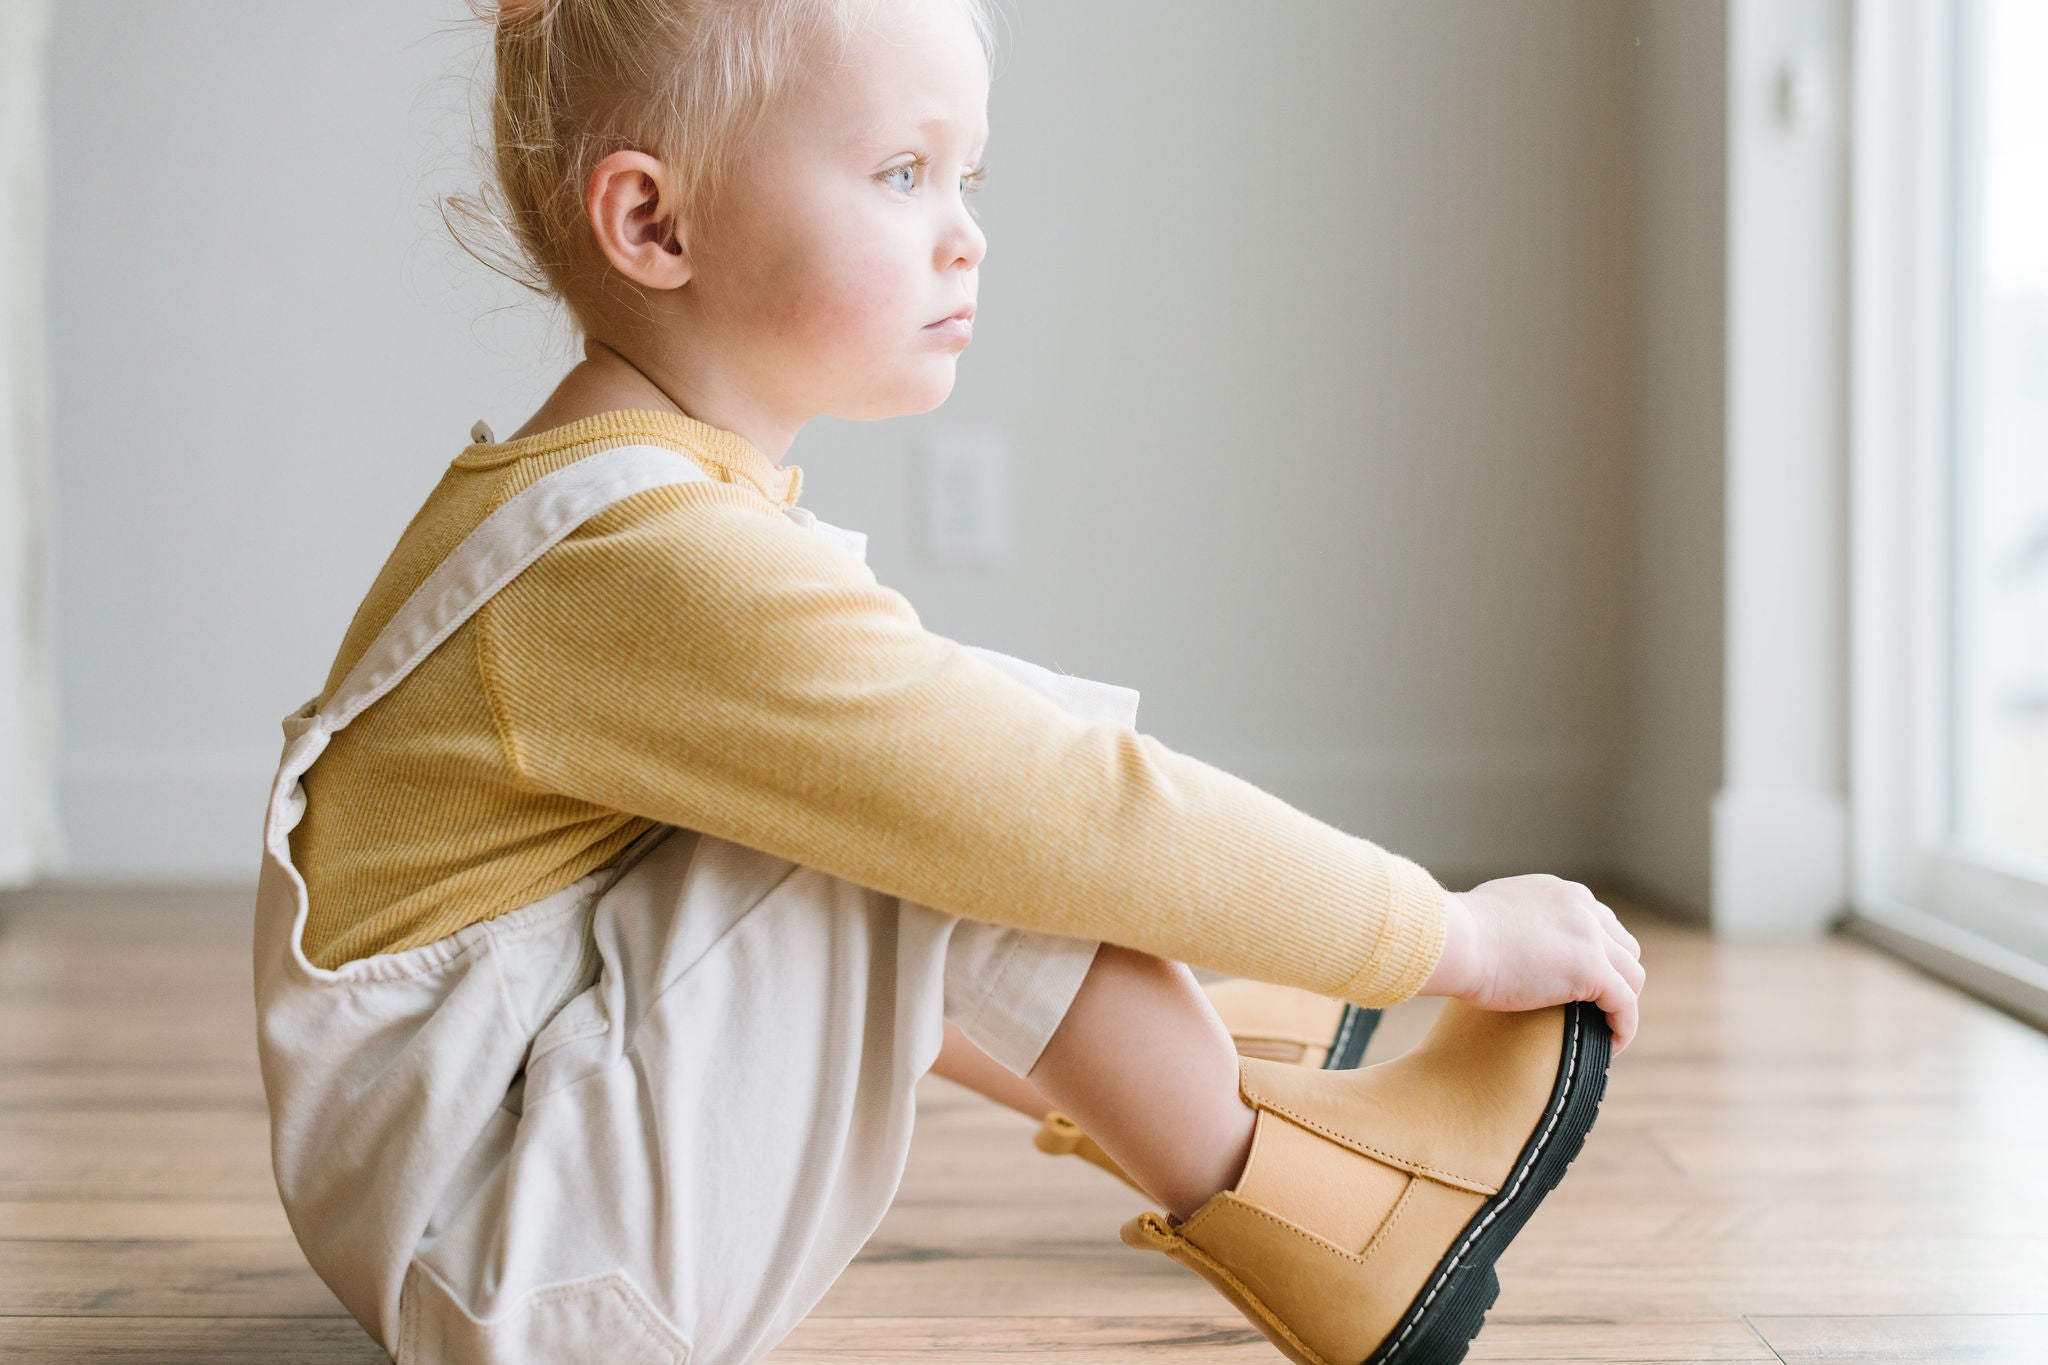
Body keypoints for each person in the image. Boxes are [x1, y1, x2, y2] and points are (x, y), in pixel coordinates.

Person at [250, 1, 1647, 1362]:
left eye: (965, 176)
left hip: (488, 1213)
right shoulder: (644, 558)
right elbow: (1062, 808)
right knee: (946, 794)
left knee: (913, 763)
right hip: (535, 1264)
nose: (965, 232)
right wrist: (1440, 934)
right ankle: (1311, 1202)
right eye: (902, 174)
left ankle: (1182, 1064)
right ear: (654, 225)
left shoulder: (608, 504)